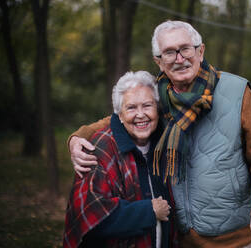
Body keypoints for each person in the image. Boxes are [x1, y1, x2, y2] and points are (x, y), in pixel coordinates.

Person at [68, 20, 251, 248]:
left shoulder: (236, 92)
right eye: (169, 52)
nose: (179, 58)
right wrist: (77, 137)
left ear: (201, 50)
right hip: (180, 239)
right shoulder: (157, 96)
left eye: (185, 48)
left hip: (233, 239)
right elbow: (120, 118)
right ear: (158, 62)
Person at [63, 71, 177, 248]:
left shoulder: (166, 142)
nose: (140, 115)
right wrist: (148, 211)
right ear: (119, 115)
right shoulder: (100, 149)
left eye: (147, 105)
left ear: (157, 108)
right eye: (131, 108)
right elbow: (90, 214)